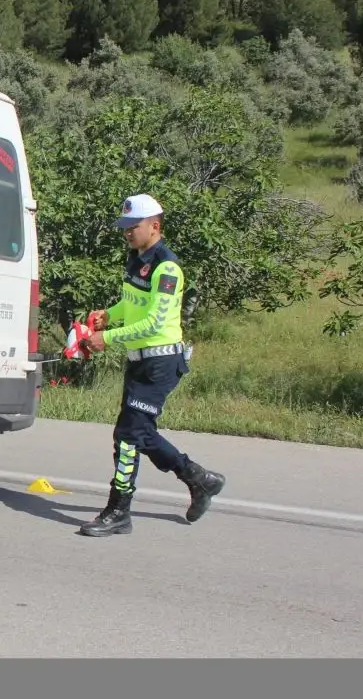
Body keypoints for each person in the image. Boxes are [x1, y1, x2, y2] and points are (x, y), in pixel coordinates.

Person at [77, 193, 226, 538]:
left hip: (161, 361)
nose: (127, 232)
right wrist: (107, 316)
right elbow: (132, 306)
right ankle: (200, 480)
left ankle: (118, 511)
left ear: (154, 226)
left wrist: (108, 338)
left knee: (128, 435)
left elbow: (155, 324)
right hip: (139, 361)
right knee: (137, 434)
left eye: (134, 226)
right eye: (125, 226)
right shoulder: (136, 258)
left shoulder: (167, 267)